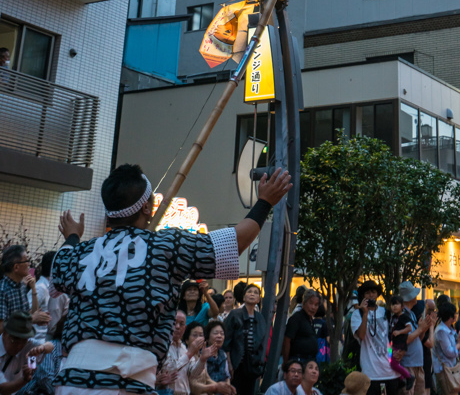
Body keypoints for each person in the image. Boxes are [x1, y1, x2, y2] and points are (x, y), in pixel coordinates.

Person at [50, 162, 290, 395]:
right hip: (126, 380)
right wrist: (265, 202)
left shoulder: (83, 252)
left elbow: (60, 264)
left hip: (71, 377)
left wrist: (73, 236)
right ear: (147, 208)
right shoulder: (165, 245)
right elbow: (233, 242)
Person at [351, 279, 399, 395]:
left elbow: (394, 336)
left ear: (377, 294)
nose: (371, 295)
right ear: (363, 296)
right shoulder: (357, 314)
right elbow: (361, 336)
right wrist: (365, 313)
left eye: (373, 292)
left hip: (389, 372)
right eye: (367, 293)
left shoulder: (386, 312)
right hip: (370, 373)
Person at [222, 283, 267, 395]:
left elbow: (261, 344)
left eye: (256, 292)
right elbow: (227, 340)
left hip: (252, 365)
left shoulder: (260, 318)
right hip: (237, 363)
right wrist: (229, 363)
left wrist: (260, 364)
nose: (252, 294)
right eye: (249, 292)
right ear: (243, 297)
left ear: (258, 299)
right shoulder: (234, 314)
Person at [0, 311, 54, 395]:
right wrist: (24, 380)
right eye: (14, 340)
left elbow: (50, 346)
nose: (19, 346)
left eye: (24, 340)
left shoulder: (28, 344)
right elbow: (2, 389)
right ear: (4, 334)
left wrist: (42, 348)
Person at [0, 246, 50, 332]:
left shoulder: (21, 286)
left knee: (50, 346)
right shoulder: (2, 290)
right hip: (5, 343)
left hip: (22, 340)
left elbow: (29, 313)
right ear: (16, 267)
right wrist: (31, 319)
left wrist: (40, 317)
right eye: (26, 261)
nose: (29, 264)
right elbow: (1, 328)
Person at [397, 282, 433, 395]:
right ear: (409, 298)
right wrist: (420, 329)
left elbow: (417, 337)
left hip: (417, 363)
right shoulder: (401, 315)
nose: (416, 296)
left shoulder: (411, 314)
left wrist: (423, 329)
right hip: (407, 364)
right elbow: (403, 340)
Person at [157, 310, 202, 395]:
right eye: (174, 322)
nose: (177, 327)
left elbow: (193, 374)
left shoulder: (184, 348)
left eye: (181, 324)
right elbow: (168, 369)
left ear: (184, 328)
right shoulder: (162, 346)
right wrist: (189, 354)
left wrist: (202, 360)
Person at [283, 290, 328, 366]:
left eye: (316, 305)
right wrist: (286, 362)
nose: (313, 307)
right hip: (298, 361)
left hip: (310, 361)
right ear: (304, 302)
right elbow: (287, 340)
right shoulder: (296, 318)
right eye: (310, 303)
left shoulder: (310, 320)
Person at [432, 302, 459, 395]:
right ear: (451, 317)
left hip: (450, 369)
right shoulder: (441, 331)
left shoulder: (449, 329)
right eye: (455, 313)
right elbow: (449, 352)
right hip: (443, 370)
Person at [421, 300, 436, 395]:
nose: (431, 313)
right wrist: (431, 326)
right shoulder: (421, 326)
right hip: (422, 361)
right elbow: (430, 344)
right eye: (429, 310)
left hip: (427, 360)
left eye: (433, 310)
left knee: (427, 388)